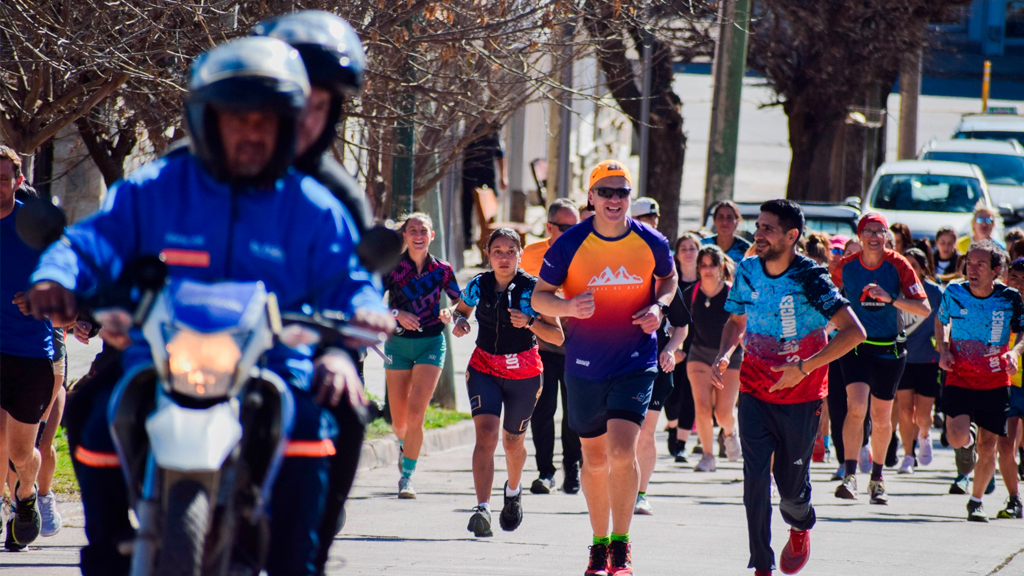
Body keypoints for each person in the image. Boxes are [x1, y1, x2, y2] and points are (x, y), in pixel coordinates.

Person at [26, 37, 391, 576]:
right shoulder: (155, 187)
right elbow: (90, 243)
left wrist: (363, 308)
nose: (251, 132)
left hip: (272, 366)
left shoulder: (313, 207)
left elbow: (349, 278)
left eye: (266, 120)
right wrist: (56, 277)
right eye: (235, 118)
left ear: (287, 127)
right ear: (206, 121)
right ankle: (105, 549)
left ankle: (298, 563)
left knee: (313, 430)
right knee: (90, 412)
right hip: (160, 359)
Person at [250, 12, 377, 571]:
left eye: (320, 105)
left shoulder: (336, 198)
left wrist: (340, 348)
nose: (303, 118)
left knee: (347, 410)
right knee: (94, 405)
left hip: (296, 358)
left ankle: (311, 553)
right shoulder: (200, 169)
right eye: (293, 100)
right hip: (193, 348)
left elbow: (357, 284)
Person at [532, 160, 676, 575]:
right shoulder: (569, 243)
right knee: (593, 459)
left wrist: (658, 306)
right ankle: (598, 543)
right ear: (591, 197)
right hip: (583, 364)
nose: (615, 200)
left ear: (630, 197)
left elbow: (667, 282)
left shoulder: (652, 241)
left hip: (635, 360)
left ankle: (621, 542)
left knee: (620, 450)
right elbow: (540, 297)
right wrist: (566, 306)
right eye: (606, 192)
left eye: (622, 192)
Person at [713, 199, 865, 576]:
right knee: (754, 476)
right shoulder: (747, 270)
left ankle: (800, 525)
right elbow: (735, 320)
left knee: (791, 489)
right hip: (753, 388)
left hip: (801, 395)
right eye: (758, 226)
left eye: (767, 229)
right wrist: (724, 352)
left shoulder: (810, 278)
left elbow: (854, 332)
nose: (758, 234)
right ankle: (761, 565)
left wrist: (804, 367)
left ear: (791, 235)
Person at [452, 228, 563, 536]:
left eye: (510, 251)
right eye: (497, 251)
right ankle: (483, 508)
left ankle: (513, 492)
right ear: (488, 255)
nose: (503, 257)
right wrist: (461, 322)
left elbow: (557, 335)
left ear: (520, 254)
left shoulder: (533, 290)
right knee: (485, 434)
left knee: (512, 441)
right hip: (484, 367)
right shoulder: (478, 285)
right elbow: (461, 312)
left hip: (524, 372)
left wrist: (530, 321)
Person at [831, 212, 930, 505]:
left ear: (887, 237)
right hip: (857, 345)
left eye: (880, 231)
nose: (875, 237)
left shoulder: (898, 265)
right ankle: (850, 476)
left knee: (881, 416)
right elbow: (826, 294)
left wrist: (891, 299)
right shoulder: (846, 267)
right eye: (869, 231)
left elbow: (923, 308)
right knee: (857, 407)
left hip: (890, 348)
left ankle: (877, 478)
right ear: (860, 236)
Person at [935, 241, 1024, 521]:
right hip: (959, 376)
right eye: (969, 263)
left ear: (996, 270)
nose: (972, 269)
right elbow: (942, 321)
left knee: (990, 445)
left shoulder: (1009, 298)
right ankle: (965, 442)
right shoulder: (954, 292)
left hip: (996, 381)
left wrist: (1013, 352)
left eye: (980, 264)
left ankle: (976, 501)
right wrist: (944, 348)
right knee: (956, 435)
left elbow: (1021, 333)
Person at [383, 212, 461, 499]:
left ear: (432, 235)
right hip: (398, 345)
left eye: (423, 230)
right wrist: (396, 313)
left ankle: (407, 477)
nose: (418, 235)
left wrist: (451, 312)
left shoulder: (442, 269)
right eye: (412, 230)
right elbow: (369, 301)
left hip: (430, 342)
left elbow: (461, 300)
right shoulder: (391, 267)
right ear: (404, 235)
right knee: (399, 422)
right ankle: (406, 445)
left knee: (416, 413)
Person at [0, 143, 53, 551]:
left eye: (3, 180)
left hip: (31, 354)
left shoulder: (36, 226)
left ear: (18, 183)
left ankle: (27, 494)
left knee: (21, 450)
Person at [630, 198, 691, 514]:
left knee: (645, 432)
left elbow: (681, 326)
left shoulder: (666, 277)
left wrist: (670, 349)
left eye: (654, 219)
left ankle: (639, 493)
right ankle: (615, 485)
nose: (650, 225)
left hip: (654, 364)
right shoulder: (618, 268)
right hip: (615, 361)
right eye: (643, 220)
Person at [521, 198, 583, 495]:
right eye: (566, 227)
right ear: (548, 227)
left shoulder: (587, 253)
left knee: (575, 413)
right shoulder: (531, 255)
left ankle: (573, 471)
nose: (574, 231)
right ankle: (545, 472)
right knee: (543, 410)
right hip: (542, 343)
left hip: (578, 345)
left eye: (578, 226)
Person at [687, 244, 743, 472]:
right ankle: (708, 456)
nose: (708, 270)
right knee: (701, 406)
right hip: (698, 354)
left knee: (723, 413)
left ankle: (730, 432)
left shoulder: (732, 293)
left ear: (721, 267)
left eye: (712, 265)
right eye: (703, 266)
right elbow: (681, 323)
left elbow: (741, 326)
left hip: (729, 356)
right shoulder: (691, 293)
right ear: (698, 268)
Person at [894, 248, 943, 475]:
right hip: (902, 358)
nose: (910, 269)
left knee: (922, 415)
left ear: (923, 268)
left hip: (928, 359)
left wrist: (943, 346)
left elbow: (945, 323)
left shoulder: (935, 293)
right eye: (907, 264)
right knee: (905, 411)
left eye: (914, 265)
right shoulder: (896, 290)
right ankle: (908, 456)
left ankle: (924, 435)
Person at [664, 233, 702, 462]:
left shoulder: (706, 278)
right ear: (677, 254)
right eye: (684, 248)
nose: (688, 252)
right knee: (672, 394)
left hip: (699, 346)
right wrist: (672, 344)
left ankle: (681, 443)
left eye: (692, 248)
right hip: (674, 342)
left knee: (691, 395)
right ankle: (671, 425)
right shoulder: (671, 280)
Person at [996, 257, 1024, 518]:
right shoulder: (1001, 306)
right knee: (1005, 447)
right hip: (1007, 386)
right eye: (1014, 278)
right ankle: (1014, 499)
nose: (1020, 285)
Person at [461, 123, 507, 249]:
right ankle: (468, 239)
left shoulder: (493, 130)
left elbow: (500, 154)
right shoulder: (470, 127)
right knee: (467, 205)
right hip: (470, 172)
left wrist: (503, 176)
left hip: (487, 173)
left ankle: (489, 240)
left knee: (489, 210)